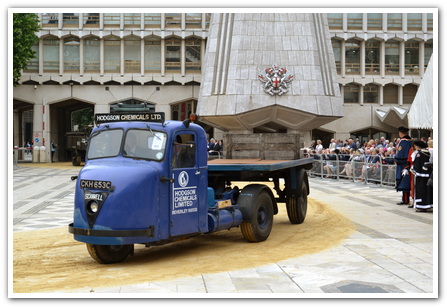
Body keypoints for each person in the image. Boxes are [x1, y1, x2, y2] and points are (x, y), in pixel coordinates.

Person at [410, 140, 432, 212]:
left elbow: (417, 164)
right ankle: (427, 204)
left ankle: (421, 206)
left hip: (421, 175)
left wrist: (413, 169)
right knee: (427, 190)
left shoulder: (419, 154)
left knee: (420, 190)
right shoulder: (428, 153)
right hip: (427, 174)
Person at [394, 126, 412, 205]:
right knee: (406, 181)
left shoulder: (403, 142)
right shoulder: (410, 141)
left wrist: (396, 159)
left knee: (404, 181)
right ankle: (406, 199)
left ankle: (405, 200)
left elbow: (401, 153)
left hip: (403, 164)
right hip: (408, 163)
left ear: (400, 133)